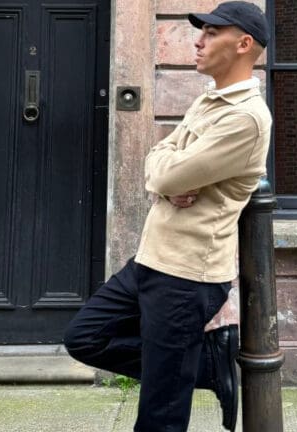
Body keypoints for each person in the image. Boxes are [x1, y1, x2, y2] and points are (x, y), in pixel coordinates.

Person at [64, 2, 271, 431]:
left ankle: (187, 367)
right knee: (84, 337)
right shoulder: (209, 102)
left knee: (160, 417)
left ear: (244, 44)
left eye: (212, 33)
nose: (198, 41)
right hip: (151, 261)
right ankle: (205, 364)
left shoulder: (246, 118)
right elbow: (160, 162)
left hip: (186, 276)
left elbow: (171, 169)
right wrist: (164, 174)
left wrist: (166, 171)